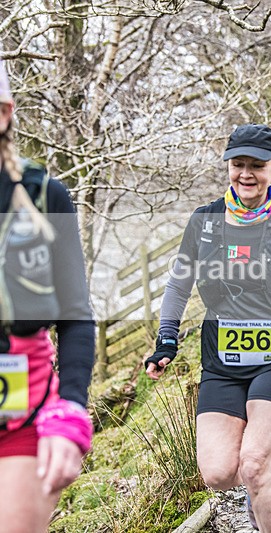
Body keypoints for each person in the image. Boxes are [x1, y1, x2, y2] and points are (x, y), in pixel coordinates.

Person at [145, 123, 271, 532]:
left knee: (253, 466)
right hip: (221, 360)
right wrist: (166, 339)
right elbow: (179, 285)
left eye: (256, 166)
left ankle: (261, 486)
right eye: (238, 165)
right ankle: (260, 488)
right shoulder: (204, 221)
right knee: (217, 474)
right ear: (228, 167)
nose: (246, 174)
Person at [0, 59, 95, 533]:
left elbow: (75, 314)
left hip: (22, 408)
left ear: (4, 113)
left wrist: (71, 406)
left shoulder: (43, 195)